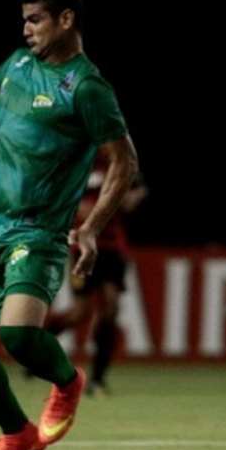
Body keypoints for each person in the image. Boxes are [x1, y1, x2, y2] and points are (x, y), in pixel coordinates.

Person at [0, 0, 139, 450]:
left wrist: (89, 228)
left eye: (36, 20)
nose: (26, 30)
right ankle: (16, 432)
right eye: (24, 20)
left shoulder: (87, 88)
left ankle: (68, 382)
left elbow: (124, 160)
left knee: (19, 335)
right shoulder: (18, 64)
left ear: (66, 20)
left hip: (36, 231)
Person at [43, 168, 147, 397]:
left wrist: (130, 195)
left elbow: (131, 202)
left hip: (113, 250)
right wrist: (113, 201)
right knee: (79, 313)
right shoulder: (80, 168)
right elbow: (82, 210)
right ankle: (37, 346)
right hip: (83, 248)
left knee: (111, 309)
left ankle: (98, 378)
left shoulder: (120, 164)